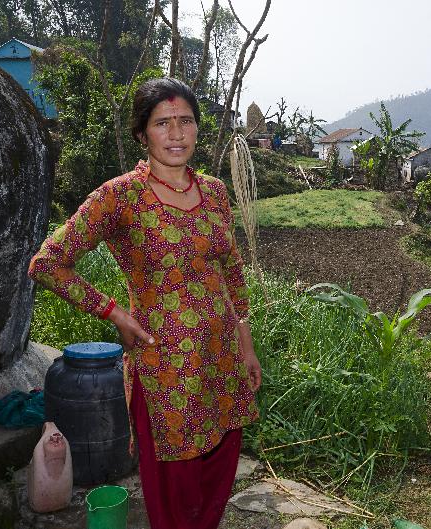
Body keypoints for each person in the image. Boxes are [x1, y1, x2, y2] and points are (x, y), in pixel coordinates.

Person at [28, 77, 261, 529]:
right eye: (163, 123)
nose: (176, 134)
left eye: (186, 121)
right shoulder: (120, 197)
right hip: (166, 367)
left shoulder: (213, 192)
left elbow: (231, 272)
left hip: (221, 357)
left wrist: (246, 345)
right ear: (142, 133)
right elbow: (47, 263)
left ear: (198, 128)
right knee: (175, 485)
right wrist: (113, 312)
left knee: (219, 466)